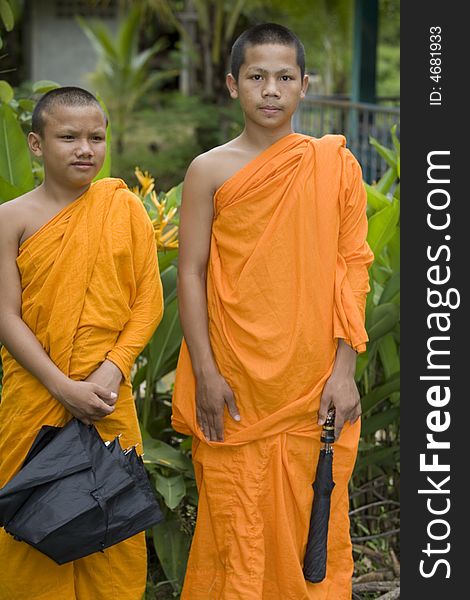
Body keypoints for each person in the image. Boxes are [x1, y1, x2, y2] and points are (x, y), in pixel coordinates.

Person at [172, 23, 374, 600]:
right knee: (236, 531)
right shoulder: (208, 171)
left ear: (304, 86)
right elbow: (190, 272)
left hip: (311, 385)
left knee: (311, 535)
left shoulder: (334, 165)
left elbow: (350, 269)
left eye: (285, 77)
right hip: (235, 385)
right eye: (257, 77)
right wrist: (206, 373)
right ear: (233, 85)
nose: (271, 90)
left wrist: (343, 371)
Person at [0, 87, 163, 599]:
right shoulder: (12, 217)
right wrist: (61, 386)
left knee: (112, 528)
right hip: (34, 397)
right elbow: (5, 315)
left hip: (105, 400)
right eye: (68, 137)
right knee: (32, 523)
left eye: (96, 137)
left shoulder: (123, 207)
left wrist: (110, 370)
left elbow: (148, 303)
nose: (84, 148)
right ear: (35, 142)